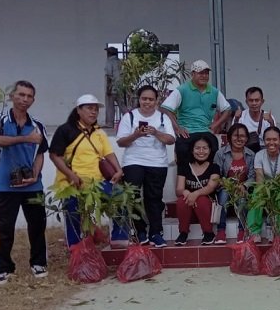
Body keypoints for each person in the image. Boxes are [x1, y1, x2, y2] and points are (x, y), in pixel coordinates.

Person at [0, 81, 49, 286]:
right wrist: (24, 138)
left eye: (29, 96)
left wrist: (35, 173)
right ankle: (4, 269)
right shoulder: (0, 118)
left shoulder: (38, 125)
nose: (24, 99)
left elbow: (40, 153)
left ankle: (39, 263)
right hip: (5, 185)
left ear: (33, 100)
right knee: (4, 228)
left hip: (32, 184)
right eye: (21, 94)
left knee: (38, 225)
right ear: (12, 95)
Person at [48, 94, 127, 248]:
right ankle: (76, 247)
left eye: (96, 109)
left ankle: (119, 239)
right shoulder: (66, 130)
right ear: (78, 110)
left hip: (98, 182)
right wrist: (71, 175)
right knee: (73, 213)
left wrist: (118, 170)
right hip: (73, 183)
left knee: (119, 198)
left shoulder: (99, 132)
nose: (94, 112)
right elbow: (54, 155)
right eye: (89, 108)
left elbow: (108, 153)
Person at [116, 85, 175, 248]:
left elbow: (171, 140)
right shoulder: (129, 117)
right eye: (144, 99)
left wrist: (156, 132)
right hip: (133, 161)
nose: (147, 102)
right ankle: (139, 231)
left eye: (150, 99)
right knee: (133, 196)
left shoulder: (163, 117)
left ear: (156, 101)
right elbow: (121, 142)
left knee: (154, 198)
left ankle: (156, 233)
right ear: (139, 99)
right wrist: (135, 134)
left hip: (157, 162)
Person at [161, 60, 231, 172]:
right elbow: (165, 108)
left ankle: (211, 184)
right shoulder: (182, 90)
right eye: (200, 73)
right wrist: (177, 128)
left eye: (206, 73)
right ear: (192, 74)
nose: (204, 76)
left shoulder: (214, 91)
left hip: (206, 130)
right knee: (183, 151)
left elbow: (227, 109)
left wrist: (215, 125)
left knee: (214, 149)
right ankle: (183, 183)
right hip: (187, 131)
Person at [174, 136, 220, 246]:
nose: (201, 151)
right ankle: (183, 233)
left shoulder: (214, 167)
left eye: (205, 148)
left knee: (201, 200)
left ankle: (208, 233)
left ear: (210, 150)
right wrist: (185, 192)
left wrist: (195, 194)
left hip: (206, 207)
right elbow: (179, 189)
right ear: (192, 150)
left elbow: (210, 187)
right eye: (197, 148)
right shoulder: (184, 166)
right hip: (188, 206)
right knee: (181, 200)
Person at [249, 126, 280, 241]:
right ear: (264, 141)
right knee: (256, 194)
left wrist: (273, 189)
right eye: (268, 139)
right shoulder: (259, 155)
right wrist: (264, 190)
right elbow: (259, 176)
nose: (271, 142)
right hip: (264, 186)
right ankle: (254, 232)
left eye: (275, 139)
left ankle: (278, 230)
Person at [213, 123, 255, 244]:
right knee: (223, 197)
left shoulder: (251, 154)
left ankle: (242, 230)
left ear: (247, 138)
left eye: (242, 136)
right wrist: (227, 183)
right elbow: (216, 175)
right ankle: (221, 231)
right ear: (229, 137)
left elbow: (252, 176)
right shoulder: (221, 154)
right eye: (235, 136)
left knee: (242, 199)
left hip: (243, 187)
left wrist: (244, 185)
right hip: (225, 187)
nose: (239, 139)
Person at [237, 86, 276, 153]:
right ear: (246, 102)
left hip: (265, 151)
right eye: (251, 100)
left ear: (262, 101)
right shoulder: (240, 116)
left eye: (257, 100)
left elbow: (274, 138)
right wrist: (236, 119)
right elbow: (234, 137)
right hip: (245, 150)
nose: (254, 103)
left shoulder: (269, 117)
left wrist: (271, 123)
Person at [103, 46, 127, 128]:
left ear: (109, 53)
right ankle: (130, 119)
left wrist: (108, 88)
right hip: (121, 87)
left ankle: (110, 123)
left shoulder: (109, 61)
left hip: (112, 87)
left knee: (110, 106)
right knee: (122, 106)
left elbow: (109, 76)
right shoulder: (120, 62)